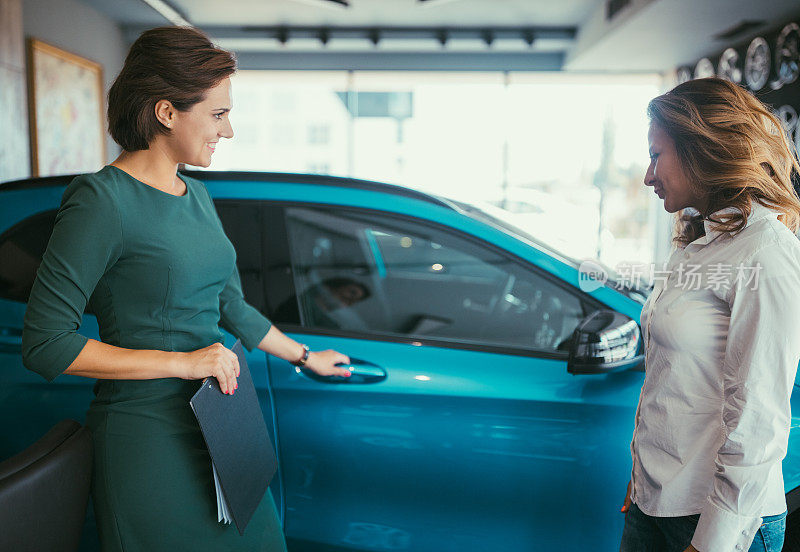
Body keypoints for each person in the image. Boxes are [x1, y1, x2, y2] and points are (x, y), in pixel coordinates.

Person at [21, 26, 351, 552]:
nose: (229, 130)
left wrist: (305, 355)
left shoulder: (196, 195)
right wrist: (184, 363)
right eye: (218, 114)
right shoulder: (101, 201)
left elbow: (230, 305)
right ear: (166, 112)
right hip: (148, 436)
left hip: (221, 424)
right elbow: (44, 345)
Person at [619, 76, 800, 552]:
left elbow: (759, 418)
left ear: (701, 150)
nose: (648, 174)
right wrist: (643, 483)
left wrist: (712, 543)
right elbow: (673, 382)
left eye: (657, 155)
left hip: (717, 524)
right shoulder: (697, 241)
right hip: (654, 504)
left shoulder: (767, 251)